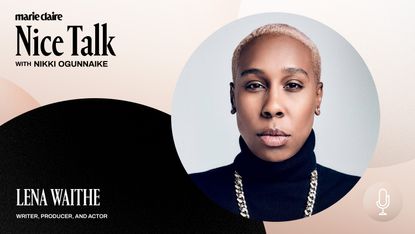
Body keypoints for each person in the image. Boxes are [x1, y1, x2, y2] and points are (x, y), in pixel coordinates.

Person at [190, 23, 360, 221]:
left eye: (293, 85)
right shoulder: (192, 192)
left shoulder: (353, 195)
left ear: (318, 97)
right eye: (254, 85)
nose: (272, 107)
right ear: (233, 97)